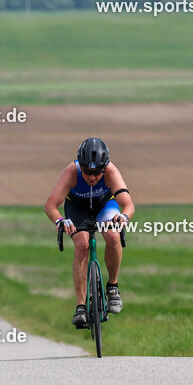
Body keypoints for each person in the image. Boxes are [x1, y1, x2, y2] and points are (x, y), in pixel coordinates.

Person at [44, 137, 135, 328]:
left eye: (96, 173)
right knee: (82, 244)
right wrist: (60, 221)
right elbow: (50, 206)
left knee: (112, 234)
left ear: (104, 168)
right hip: (77, 208)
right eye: (87, 172)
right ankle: (80, 307)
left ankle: (112, 286)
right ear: (80, 167)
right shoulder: (72, 171)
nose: (92, 177)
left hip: (105, 205)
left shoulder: (111, 171)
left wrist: (124, 217)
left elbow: (128, 204)